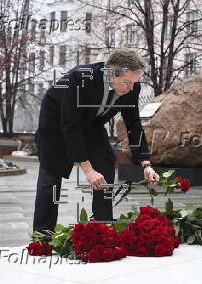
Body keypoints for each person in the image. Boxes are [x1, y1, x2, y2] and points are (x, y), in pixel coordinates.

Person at [33, 48, 160, 236]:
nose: (132, 88)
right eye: (127, 82)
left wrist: (146, 164)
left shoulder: (132, 87)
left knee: (106, 162)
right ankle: (42, 235)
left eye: (134, 82)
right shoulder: (80, 79)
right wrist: (87, 169)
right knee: (51, 177)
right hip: (56, 124)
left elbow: (133, 125)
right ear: (111, 73)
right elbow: (71, 124)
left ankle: (102, 225)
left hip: (91, 125)